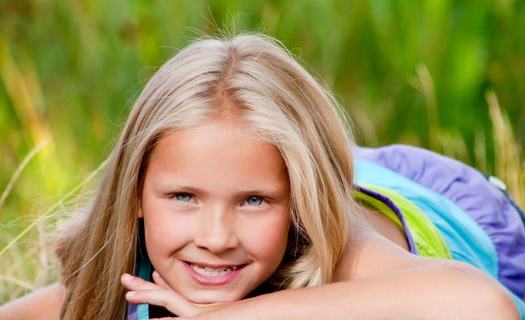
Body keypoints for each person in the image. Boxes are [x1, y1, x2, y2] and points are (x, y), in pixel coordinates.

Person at [0, 33, 523, 319]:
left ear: (297, 204)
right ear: (134, 193)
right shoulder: (137, 262)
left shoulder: (344, 248)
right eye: (183, 195)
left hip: (445, 205)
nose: (214, 238)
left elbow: (485, 307)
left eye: (254, 202)